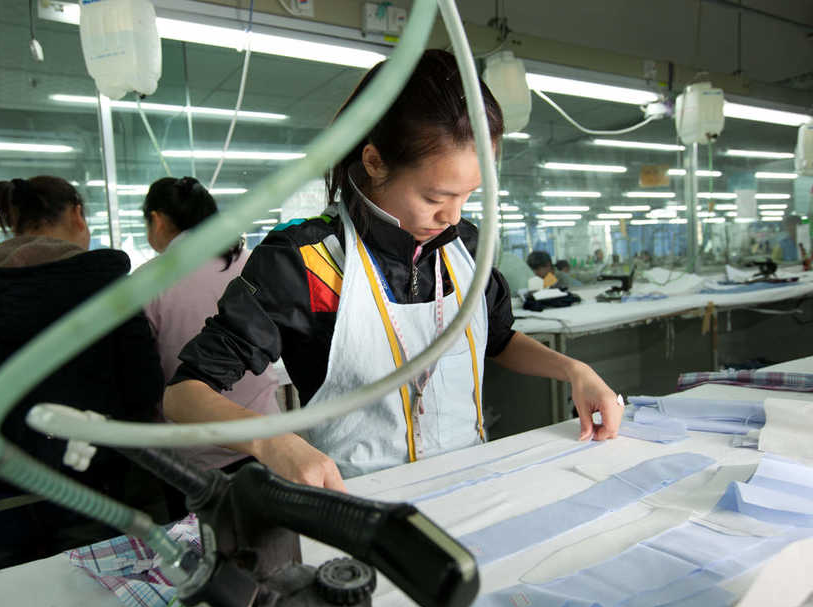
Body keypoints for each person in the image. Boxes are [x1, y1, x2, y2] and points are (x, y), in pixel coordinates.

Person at [162, 49, 621, 491]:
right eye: (436, 198)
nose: (454, 217)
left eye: (468, 196)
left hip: (472, 484)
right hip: (359, 504)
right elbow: (183, 396)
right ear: (374, 161)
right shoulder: (307, 261)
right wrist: (271, 441)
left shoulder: (464, 248)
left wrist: (573, 369)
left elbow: (497, 338)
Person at [0, 176, 164, 578]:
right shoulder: (105, 284)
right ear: (78, 214)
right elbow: (144, 388)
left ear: (14, 218)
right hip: (86, 486)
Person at [142, 175, 281, 477]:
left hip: (194, 456)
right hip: (269, 440)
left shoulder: (148, 282)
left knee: (198, 526)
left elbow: (143, 374)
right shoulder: (251, 262)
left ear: (157, 219)